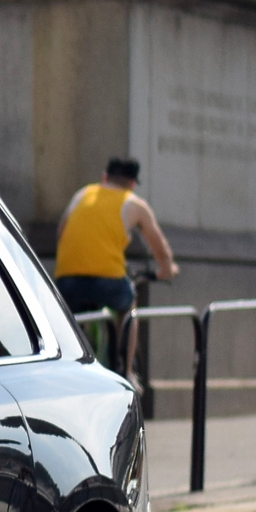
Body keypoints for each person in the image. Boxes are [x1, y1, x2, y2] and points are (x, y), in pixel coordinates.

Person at [55, 157, 179, 370]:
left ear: (104, 177)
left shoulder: (82, 194)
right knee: (128, 305)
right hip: (108, 281)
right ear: (132, 183)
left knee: (68, 316)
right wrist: (167, 270)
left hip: (67, 278)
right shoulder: (135, 204)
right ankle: (127, 369)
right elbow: (160, 248)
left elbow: (60, 233)